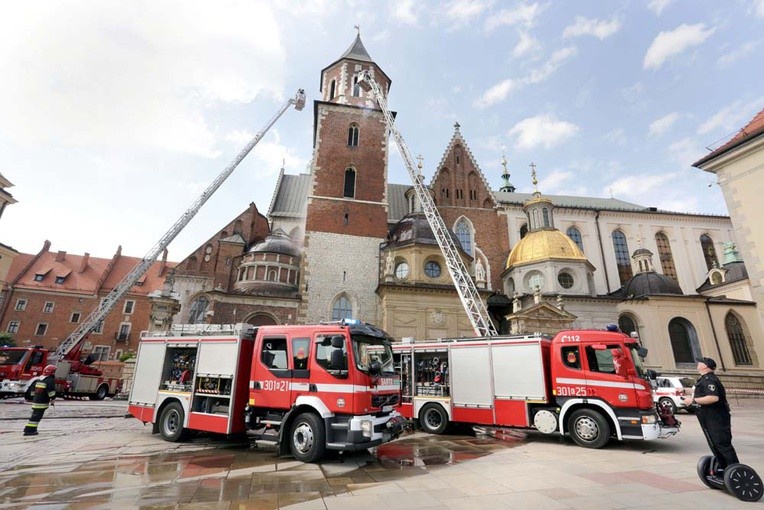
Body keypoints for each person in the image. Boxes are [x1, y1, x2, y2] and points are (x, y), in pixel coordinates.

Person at [682, 357, 739, 476]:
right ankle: (725, 469)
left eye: (700, 362)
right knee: (714, 444)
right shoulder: (704, 379)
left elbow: (713, 397)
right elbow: (700, 391)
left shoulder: (709, 380)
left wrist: (692, 400)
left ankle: (736, 471)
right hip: (707, 418)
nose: (698, 363)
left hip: (717, 418)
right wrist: (684, 390)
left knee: (722, 444)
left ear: (706, 366)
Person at [23, 364, 57, 436]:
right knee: (36, 416)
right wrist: (53, 398)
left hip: (36, 401)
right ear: (52, 372)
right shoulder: (50, 380)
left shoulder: (39, 379)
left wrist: (33, 398)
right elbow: (51, 391)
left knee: (35, 415)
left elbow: (32, 390)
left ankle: (31, 429)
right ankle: (29, 430)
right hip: (42, 402)